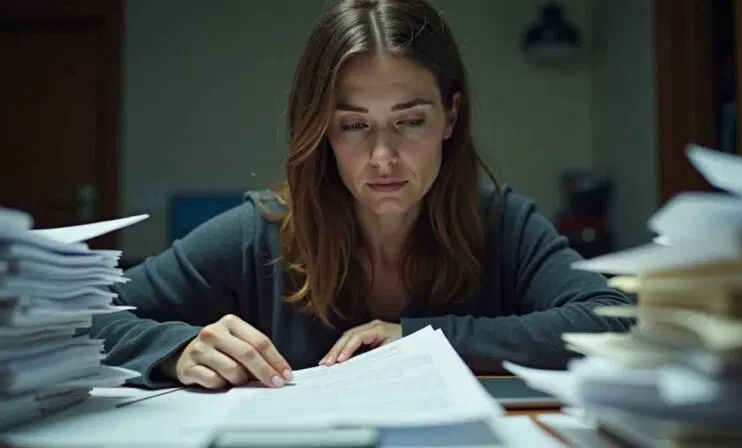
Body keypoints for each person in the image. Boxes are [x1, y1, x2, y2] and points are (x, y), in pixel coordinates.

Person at [94, 0, 632, 391]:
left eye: (410, 121)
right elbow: (80, 319)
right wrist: (173, 350)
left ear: (451, 115)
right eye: (353, 126)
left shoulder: (501, 222)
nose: (383, 158)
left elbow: (614, 316)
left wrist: (422, 339)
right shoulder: (257, 233)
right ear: (321, 130)